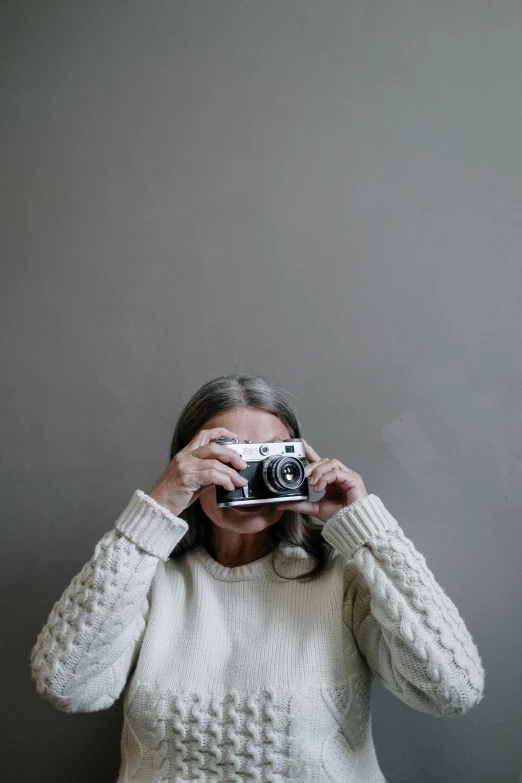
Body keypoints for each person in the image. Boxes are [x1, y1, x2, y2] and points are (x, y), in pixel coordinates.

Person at [30, 373, 485, 782]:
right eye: (228, 458)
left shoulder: (343, 578)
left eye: (267, 456)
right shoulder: (145, 579)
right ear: (186, 464)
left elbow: (452, 689)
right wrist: (157, 509)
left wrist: (366, 530)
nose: (247, 475)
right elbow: (68, 685)